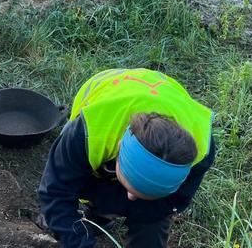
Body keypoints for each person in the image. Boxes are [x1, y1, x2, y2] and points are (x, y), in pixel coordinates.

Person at [38, 68, 215, 248]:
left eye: (141, 194)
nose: (129, 196)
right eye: (130, 186)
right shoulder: (87, 134)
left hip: (162, 98)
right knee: (65, 201)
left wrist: (147, 213)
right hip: (107, 94)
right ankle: (97, 213)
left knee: (152, 219)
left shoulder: (202, 151)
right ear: (120, 145)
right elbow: (56, 191)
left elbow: (172, 203)